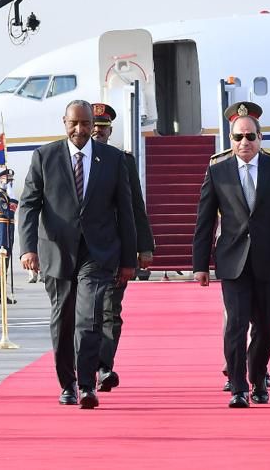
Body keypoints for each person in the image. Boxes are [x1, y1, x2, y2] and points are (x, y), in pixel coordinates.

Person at [18, 100, 136, 410]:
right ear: (65, 123)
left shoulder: (112, 159)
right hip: (57, 251)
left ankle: (86, 385)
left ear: (93, 126)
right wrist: (28, 248)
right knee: (63, 320)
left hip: (97, 253)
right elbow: (28, 205)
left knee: (90, 317)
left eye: (85, 124)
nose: (80, 130)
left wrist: (128, 260)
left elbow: (126, 211)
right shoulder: (44, 157)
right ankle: (67, 384)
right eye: (74, 123)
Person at [192, 101, 270, 409]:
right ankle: (239, 387)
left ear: (260, 138)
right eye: (238, 137)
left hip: (269, 259)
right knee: (236, 326)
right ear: (231, 139)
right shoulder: (218, 170)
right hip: (232, 260)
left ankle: (258, 374)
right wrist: (200, 264)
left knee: (266, 327)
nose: (244, 142)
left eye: (250, 136)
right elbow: (205, 220)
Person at [89, 103, 154, 392]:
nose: (97, 132)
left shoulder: (122, 161)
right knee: (84, 314)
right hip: (81, 250)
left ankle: (104, 367)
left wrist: (144, 246)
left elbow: (135, 205)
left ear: (110, 131)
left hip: (113, 249)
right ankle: (84, 366)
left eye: (102, 128)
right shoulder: (70, 160)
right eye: (93, 126)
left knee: (110, 312)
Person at [0, 167, 18, 305]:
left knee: (5, 266)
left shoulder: (6, 195)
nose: (10, 183)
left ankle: (2, 294)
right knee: (0, 267)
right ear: (1, 180)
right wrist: (13, 199)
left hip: (8, 233)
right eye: (7, 180)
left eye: (11, 180)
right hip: (1, 234)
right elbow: (9, 213)